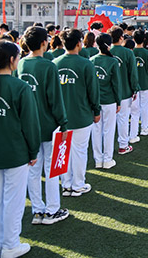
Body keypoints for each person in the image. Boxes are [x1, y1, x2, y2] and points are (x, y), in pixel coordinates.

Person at [0, 40, 41, 258]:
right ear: (12, 60)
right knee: (13, 200)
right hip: (15, 152)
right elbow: (30, 124)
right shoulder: (20, 87)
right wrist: (33, 151)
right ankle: (10, 245)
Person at [18, 26, 69, 226]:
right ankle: (52, 210)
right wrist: (63, 123)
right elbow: (55, 99)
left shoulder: (21, 64)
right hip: (48, 125)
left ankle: (37, 210)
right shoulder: (48, 66)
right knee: (51, 169)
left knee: (33, 169)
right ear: (43, 43)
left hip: (27, 125)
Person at [53, 29, 100, 197]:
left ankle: (66, 185)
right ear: (79, 43)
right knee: (79, 151)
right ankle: (78, 184)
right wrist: (96, 110)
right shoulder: (86, 64)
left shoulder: (54, 63)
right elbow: (93, 91)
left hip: (59, 117)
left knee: (62, 152)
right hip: (81, 115)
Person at [91, 33, 122, 169]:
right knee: (108, 130)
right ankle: (107, 159)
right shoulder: (112, 61)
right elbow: (116, 84)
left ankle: (98, 160)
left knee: (96, 130)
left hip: (95, 101)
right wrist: (118, 101)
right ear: (109, 45)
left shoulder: (91, 60)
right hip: (109, 100)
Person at [109, 26, 139, 154]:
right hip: (124, 91)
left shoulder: (106, 51)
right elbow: (133, 73)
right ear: (121, 37)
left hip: (108, 93)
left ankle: (106, 151)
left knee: (107, 124)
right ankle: (123, 145)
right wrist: (135, 89)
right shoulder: (128, 53)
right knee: (123, 119)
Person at [132, 30, 148, 137]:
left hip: (134, 85)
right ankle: (144, 128)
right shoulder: (147, 53)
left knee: (134, 110)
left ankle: (133, 132)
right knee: (144, 106)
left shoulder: (131, 52)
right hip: (145, 83)